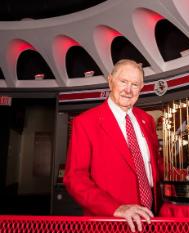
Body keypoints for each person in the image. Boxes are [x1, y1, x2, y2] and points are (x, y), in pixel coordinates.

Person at [64, 59, 161, 232]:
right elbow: (75, 178)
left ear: (141, 88)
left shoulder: (147, 121)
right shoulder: (85, 123)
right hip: (110, 223)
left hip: (151, 220)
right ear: (110, 81)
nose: (128, 90)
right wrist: (116, 209)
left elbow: (154, 167)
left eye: (135, 84)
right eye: (123, 82)